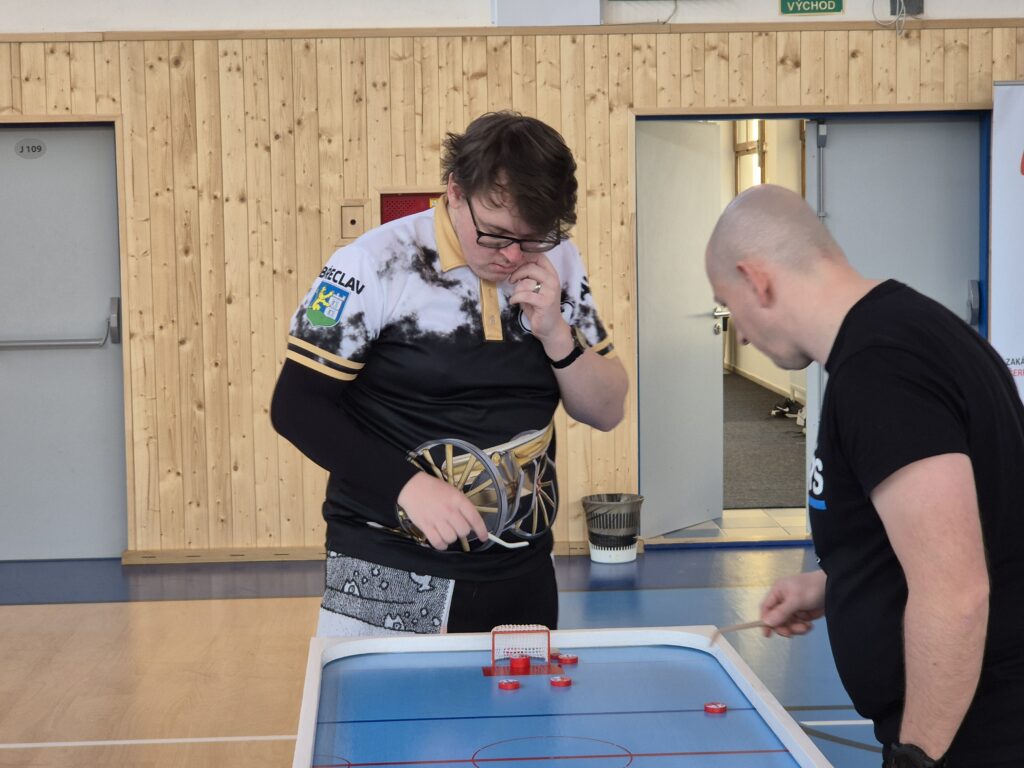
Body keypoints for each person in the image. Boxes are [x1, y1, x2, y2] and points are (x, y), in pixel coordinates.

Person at [271, 111, 628, 638]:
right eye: (496, 235)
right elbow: (296, 407)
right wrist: (405, 487)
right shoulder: (372, 262)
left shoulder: (559, 261)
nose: (512, 256)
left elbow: (607, 410)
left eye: (532, 238)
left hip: (522, 570)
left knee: (520, 698)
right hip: (388, 566)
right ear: (455, 192)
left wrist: (556, 331)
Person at [704, 184, 1024, 768]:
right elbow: (963, 532)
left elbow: (956, 592)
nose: (741, 334)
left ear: (757, 280)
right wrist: (837, 586)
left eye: (729, 303)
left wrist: (915, 758)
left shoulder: (882, 370)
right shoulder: (912, 333)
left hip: (973, 738)